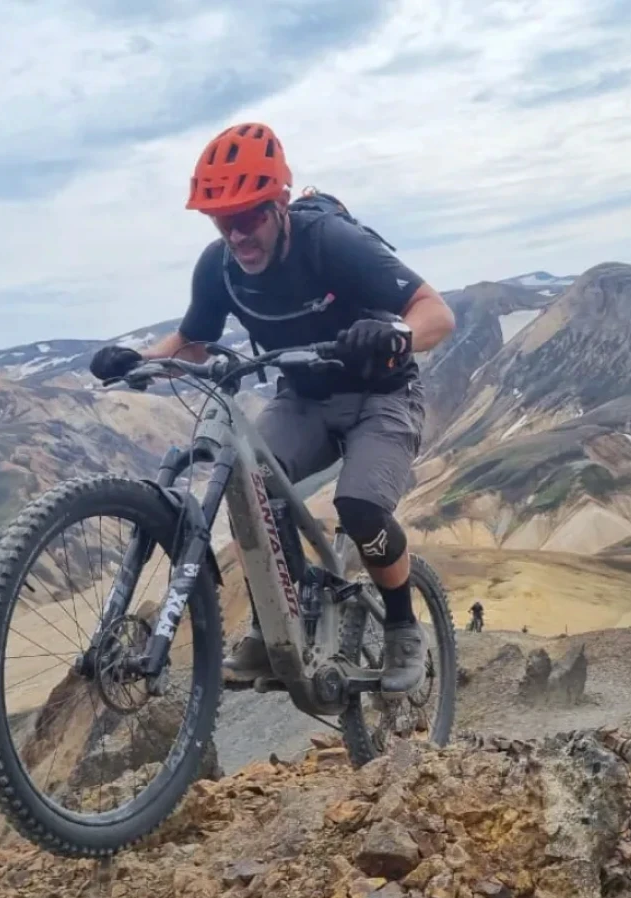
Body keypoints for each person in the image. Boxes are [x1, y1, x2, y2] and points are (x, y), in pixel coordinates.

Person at [90, 122, 455, 693]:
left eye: (250, 216)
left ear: (281, 204)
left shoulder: (332, 243)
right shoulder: (219, 267)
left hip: (383, 395)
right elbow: (193, 338)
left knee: (360, 508)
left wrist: (398, 336)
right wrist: (138, 359)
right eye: (222, 220)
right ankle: (274, 629)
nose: (237, 234)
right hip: (302, 397)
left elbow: (436, 313)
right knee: (251, 485)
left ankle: (406, 629)